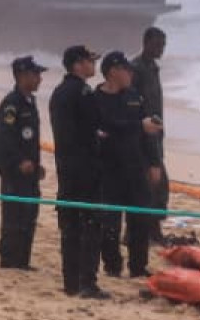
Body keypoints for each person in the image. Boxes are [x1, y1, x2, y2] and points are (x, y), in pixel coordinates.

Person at [90, 50, 164, 278]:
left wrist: (154, 162)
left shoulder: (133, 95)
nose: (131, 73)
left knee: (140, 218)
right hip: (109, 168)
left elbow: (147, 133)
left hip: (135, 166)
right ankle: (113, 265)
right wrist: (139, 126)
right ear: (113, 72)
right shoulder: (96, 99)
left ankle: (138, 266)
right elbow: (109, 126)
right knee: (109, 222)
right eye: (126, 69)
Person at [49, 44, 109, 298]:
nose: (93, 65)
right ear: (77, 65)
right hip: (84, 168)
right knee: (89, 225)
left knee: (71, 226)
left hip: (66, 166)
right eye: (88, 61)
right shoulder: (82, 92)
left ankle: (71, 282)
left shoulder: (60, 91)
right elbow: (94, 125)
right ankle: (86, 282)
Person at [0, 56, 47, 270]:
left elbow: (29, 140)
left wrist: (35, 164)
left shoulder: (30, 102)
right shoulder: (11, 104)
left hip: (30, 172)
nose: (40, 79)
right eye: (36, 75)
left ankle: (23, 261)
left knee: (29, 215)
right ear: (23, 76)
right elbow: (5, 139)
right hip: (15, 172)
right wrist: (18, 162)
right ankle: (9, 261)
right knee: (14, 216)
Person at [132, 26, 171, 243]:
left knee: (156, 186)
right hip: (143, 135)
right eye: (157, 44)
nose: (161, 49)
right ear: (146, 42)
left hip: (156, 134)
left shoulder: (153, 68)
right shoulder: (136, 68)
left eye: (163, 45)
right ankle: (145, 232)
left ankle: (152, 230)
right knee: (153, 183)